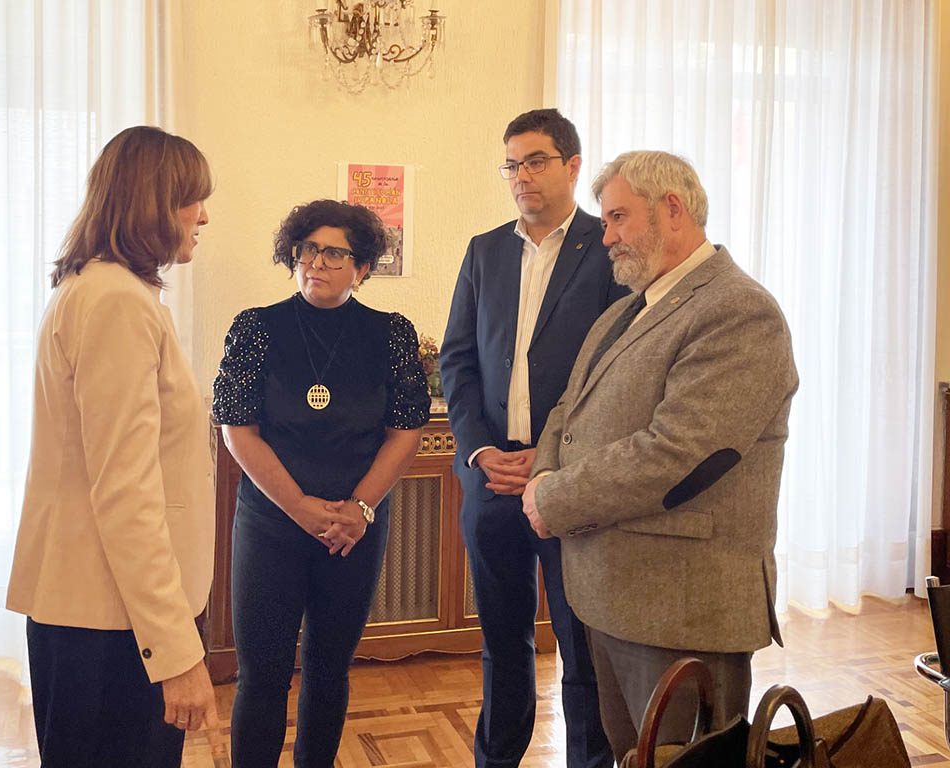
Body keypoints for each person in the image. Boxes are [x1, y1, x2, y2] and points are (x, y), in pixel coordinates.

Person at [522, 150, 799, 757]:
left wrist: (553, 498)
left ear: (673, 209)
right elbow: (566, 412)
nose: (608, 238)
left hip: (681, 607)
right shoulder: (624, 311)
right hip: (608, 594)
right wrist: (542, 473)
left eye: (619, 218)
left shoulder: (737, 310)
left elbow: (680, 453)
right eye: (606, 222)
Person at [6, 126, 218, 767]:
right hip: (112, 619)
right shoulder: (116, 302)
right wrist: (175, 650)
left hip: (103, 610)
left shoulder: (99, 290)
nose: (203, 216)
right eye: (192, 201)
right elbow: (127, 491)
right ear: (153, 203)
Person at [212, 199, 430, 767]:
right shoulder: (256, 326)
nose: (318, 262)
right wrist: (301, 508)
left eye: (336, 253)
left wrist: (358, 508)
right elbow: (239, 430)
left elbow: (406, 430)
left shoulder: (392, 334)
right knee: (262, 673)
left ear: (362, 268)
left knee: (330, 669)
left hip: (353, 529)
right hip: (270, 524)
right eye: (309, 249)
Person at [441, 108, 627, 768]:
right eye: (512, 164)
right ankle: (497, 760)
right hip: (491, 480)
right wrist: (480, 450)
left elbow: (615, 371)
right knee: (501, 641)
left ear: (573, 166)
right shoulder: (485, 251)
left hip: (571, 484)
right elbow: (456, 359)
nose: (522, 175)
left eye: (537, 160)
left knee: (581, 647)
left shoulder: (605, 249)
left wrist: (547, 462)